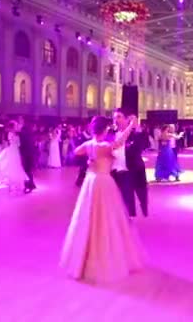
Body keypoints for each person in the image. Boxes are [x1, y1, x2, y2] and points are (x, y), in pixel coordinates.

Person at [60, 115, 144, 283]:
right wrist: (130, 128)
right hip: (104, 182)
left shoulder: (88, 145)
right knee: (106, 219)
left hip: (90, 182)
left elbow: (76, 152)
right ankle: (104, 256)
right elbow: (118, 144)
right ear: (105, 130)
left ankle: (83, 260)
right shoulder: (105, 146)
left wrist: (90, 159)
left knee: (87, 218)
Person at [111, 108, 149, 218]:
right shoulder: (112, 134)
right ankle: (129, 216)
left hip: (132, 169)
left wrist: (137, 128)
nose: (116, 120)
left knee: (139, 192)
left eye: (119, 117)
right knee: (125, 196)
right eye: (114, 117)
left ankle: (141, 209)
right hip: (115, 171)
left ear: (127, 119)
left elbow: (143, 146)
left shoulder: (135, 134)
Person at [18, 117, 37, 193]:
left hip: (26, 153)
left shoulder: (24, 131)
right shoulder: (28, 131)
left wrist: (18, 133)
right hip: (30, 152)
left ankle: (28, 185)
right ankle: (31, 185)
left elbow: (23, 142)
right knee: (28, 170)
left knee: (26, 170)